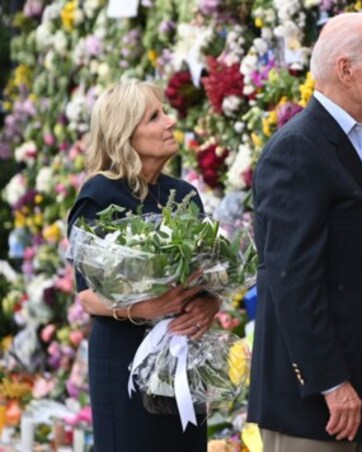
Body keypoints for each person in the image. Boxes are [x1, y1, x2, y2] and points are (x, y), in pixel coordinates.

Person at [247, 12, 362, 452]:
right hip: (317, 409)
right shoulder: (298, 149)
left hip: (360, 400)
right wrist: (330, 381)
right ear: (345, 69)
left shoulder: (349, 142)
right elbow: (291, 278)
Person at [67, 81, 220, 451]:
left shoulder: (183, 195)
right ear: (125, 135)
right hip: (125, 361)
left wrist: (208, 305)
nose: (169, 122)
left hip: (183, 356)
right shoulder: (99, 195)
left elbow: (206, 280)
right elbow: (88, 297)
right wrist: (144, 309)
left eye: (164, 112)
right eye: (155, 116)